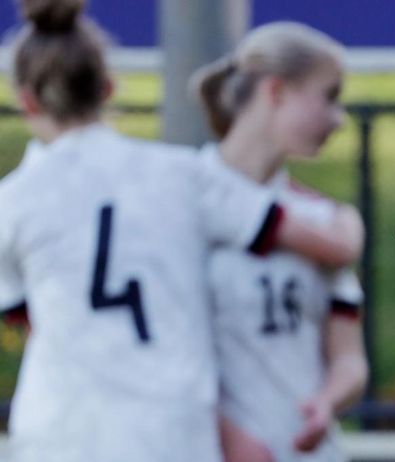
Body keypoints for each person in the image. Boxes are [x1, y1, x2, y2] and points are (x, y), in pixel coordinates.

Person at [0, 2, 361, 462]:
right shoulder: (180, 177)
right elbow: (330, 244)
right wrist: (347, 227)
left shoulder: (12, 201)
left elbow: (38, 322)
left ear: (27, 101)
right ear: (108, 88)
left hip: (60, 433)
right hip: (172, 432)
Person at [192, 22, 368, 462]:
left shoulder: (323, 219)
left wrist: (326, 402)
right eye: (329, 96)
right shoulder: (181, 198)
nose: (339, 119)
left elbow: (349, 359)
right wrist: (231, 437)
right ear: (277, 91)